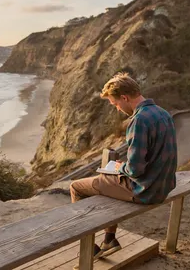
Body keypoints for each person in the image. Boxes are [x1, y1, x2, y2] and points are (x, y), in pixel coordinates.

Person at [70, 72, 177, 259]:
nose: (117, 109)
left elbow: (135, 170)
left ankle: (88, 247)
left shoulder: (139, 120)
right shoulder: (163, 113)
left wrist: (120, 168)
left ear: (125, 98)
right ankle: (109, 239)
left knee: (77, 187)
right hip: (164, 185)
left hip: (145, 190)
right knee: (110, 184)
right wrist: (124, 167)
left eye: (116, 104)